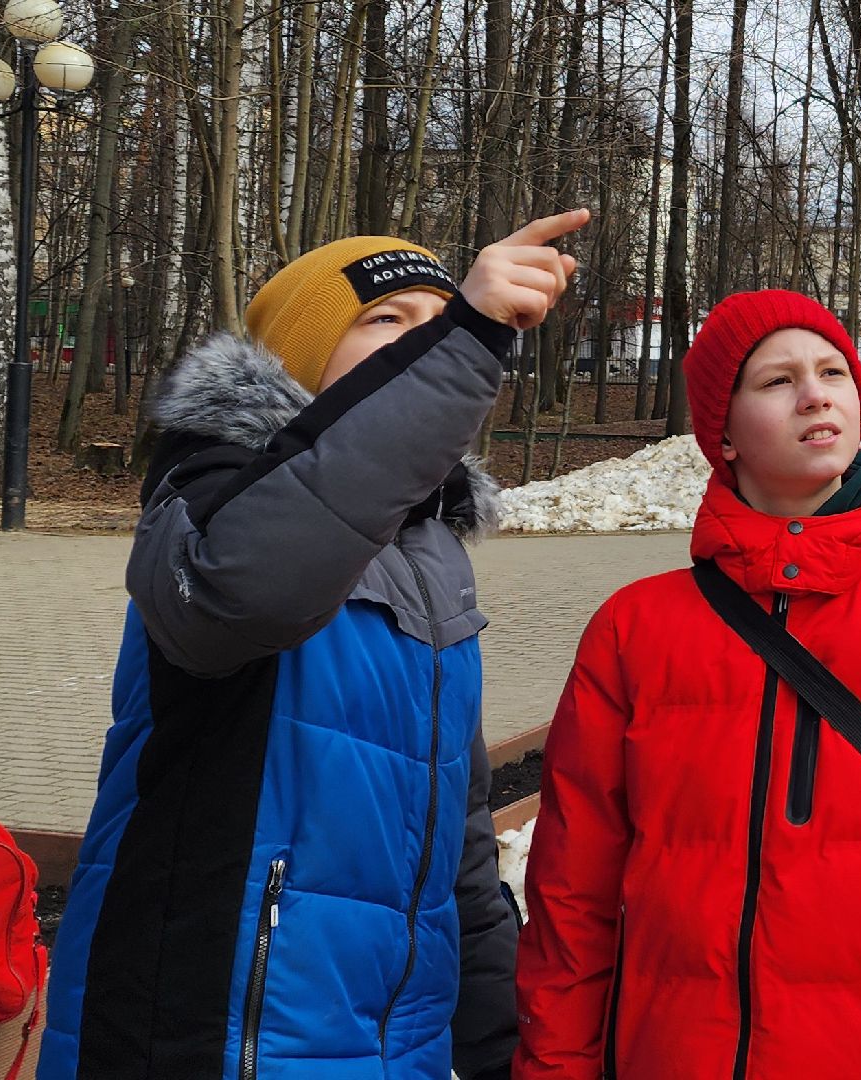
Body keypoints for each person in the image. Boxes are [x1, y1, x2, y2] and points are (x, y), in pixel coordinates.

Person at [38, 210, 590, 1080]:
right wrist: (469, 333)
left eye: (436, 318)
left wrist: (500, 1047)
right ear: (301, 356)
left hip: (386, 1043)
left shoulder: (433, 553)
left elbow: (460, 841)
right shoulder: (209, 489)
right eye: (387, 319)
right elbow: (250, 587)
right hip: (212, 1035)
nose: (425, 338)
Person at [514, 290, 861, 1079]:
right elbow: (572, 894)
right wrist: (554, 1066)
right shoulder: (633, 630)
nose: (816, 393)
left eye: (833, 371)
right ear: (722, 434)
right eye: (776, 380)